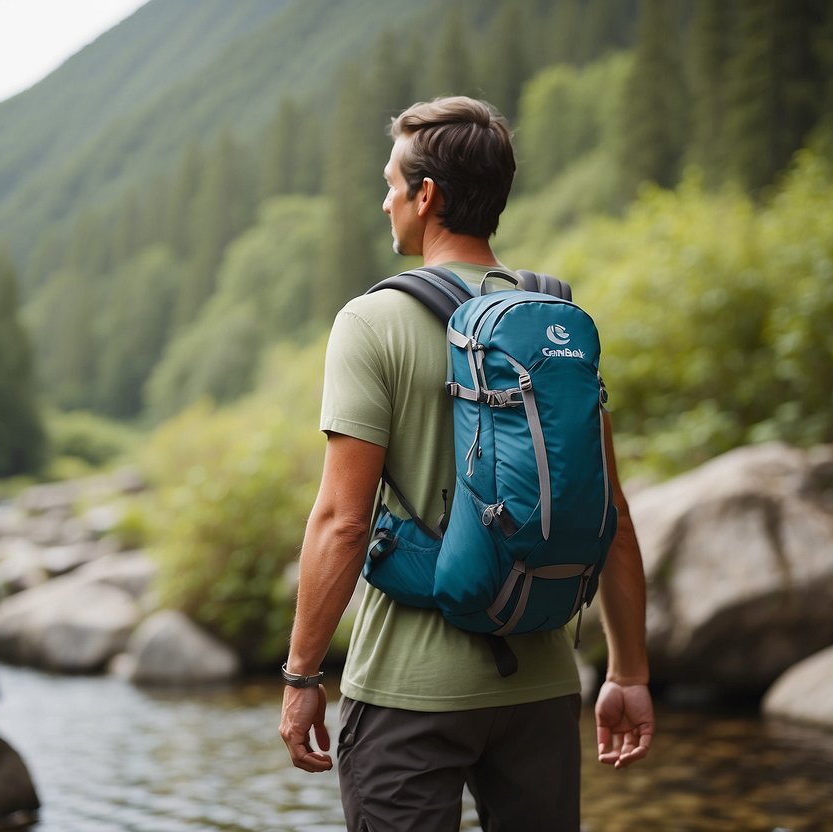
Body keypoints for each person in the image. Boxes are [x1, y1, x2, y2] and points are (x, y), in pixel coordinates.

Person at [278, 96, 654, 831]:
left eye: (391, 183)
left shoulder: (372, 320)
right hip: (543, 687)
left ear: (427, 196)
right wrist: (629, 673)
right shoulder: (554, 322)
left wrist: (299, 676)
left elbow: (341, 522)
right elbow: (611, 515)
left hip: (407, 693)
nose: (384, 200)